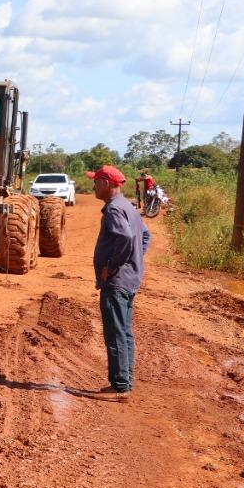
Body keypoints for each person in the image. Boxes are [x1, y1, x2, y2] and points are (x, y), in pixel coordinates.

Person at [87, 164, 151, 398]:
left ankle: (121, 386)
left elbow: (125, 237)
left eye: (96, 181)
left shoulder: (114, 209)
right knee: (123, 332)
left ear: (106, 183)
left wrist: (113, 266)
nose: (93, 185)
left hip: (117, 281)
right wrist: (134, 258)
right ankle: (123, 382)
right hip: (129, 278)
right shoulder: (128, 206)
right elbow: (145, 235)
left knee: (115, 333)